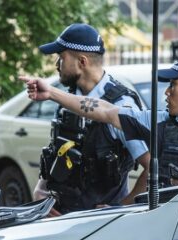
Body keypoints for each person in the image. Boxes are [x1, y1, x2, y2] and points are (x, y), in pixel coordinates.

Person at [22, 56, 178, 187]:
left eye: (173, 86)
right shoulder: (157, 122)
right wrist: (51, 93)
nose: (166, 93)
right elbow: (105, 111)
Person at [34, 23, 150, 215]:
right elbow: (58, 150)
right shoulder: (68, 98)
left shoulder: (122, 104)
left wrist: (121, 208)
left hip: (100, 229)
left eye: (61, 58)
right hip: (60, 218)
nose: (57, 65)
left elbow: (152, 167)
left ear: (82, 61)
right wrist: (41, 190)